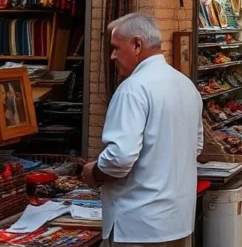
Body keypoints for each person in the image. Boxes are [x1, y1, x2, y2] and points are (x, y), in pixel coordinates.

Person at [82, 13, 203, 247]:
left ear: (137, 44)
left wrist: (94, 172)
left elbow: (120, 158)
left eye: (116, 48)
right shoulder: (186, 85)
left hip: (138, 225)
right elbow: (195, 147)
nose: (112, 56)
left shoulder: (132, 89)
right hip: (177, 220)